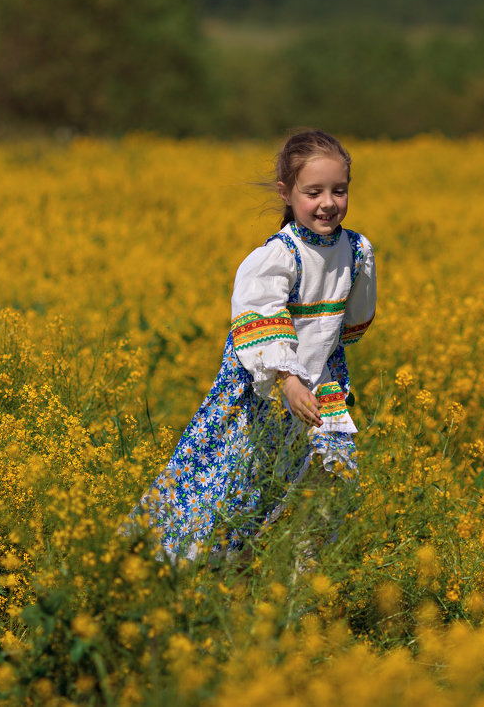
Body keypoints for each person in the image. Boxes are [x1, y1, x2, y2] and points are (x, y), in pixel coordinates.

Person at [129, 129, 376, 563]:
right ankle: (173, 569)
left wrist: (318, 372)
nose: (328, 203)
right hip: (264, 395)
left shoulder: (356, 249)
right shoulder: (278, 256)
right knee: (235, 489)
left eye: (339, 190)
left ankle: (299, 587)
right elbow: (260, 320)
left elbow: (351, 322)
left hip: (321, 390)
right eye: (313, 191)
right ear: (287, 192)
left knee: (324, 488)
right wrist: (287, 378)